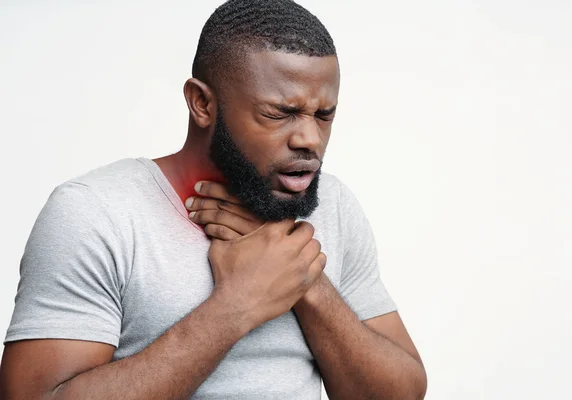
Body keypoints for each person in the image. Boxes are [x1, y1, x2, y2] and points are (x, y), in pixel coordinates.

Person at [0, 1, 427, 399]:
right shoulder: (97, 213)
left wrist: (306, 280)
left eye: (324, 115)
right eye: (280, 113)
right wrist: (235, 307)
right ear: (202, 103)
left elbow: (401, 391)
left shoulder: (333, 205)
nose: (309, 139)